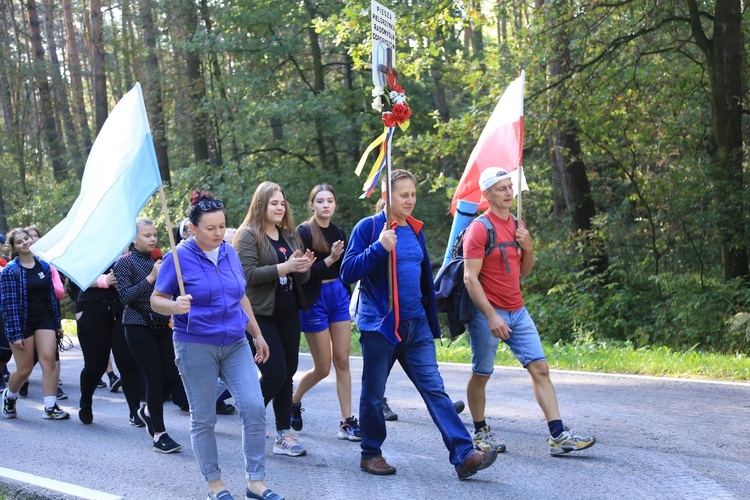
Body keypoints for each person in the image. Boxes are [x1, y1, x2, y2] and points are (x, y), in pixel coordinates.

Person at [340, 169, 497, 479]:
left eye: (413, 194)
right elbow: (348, 271)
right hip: (382, 327)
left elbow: (423, 278)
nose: (410, 200)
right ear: (387, 196)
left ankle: (464, 455)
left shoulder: (415, 230)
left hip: (416, 326)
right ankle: (370, 454)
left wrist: (431, 317)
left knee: (435, 390)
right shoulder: (369, 228)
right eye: (403, 195)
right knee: (373, 395)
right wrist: (378, 248)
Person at [152, 190, 283, 500]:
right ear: (193, 228)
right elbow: (157, 300)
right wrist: (175, 306)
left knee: (252, 406)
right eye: (210, 228)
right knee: (204, 418)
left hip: (235, 342)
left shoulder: (228, 252)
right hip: (195, 344)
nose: (218, 233)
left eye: (222, 226)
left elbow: (240, 296)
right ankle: (215, 485)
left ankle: (255, 481)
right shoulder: (178, 257)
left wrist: (257, 334)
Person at [463, 167, 596, 456]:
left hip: (518, 310)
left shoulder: (518, 225)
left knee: (540, 368)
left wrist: (529, 247)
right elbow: (469, 278)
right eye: (502, 188)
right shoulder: (479, 229)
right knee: (482, 374)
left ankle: (558, 436)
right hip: (489, 312)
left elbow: (524, 271)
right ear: (486, 194)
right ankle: (480, 430)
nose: (509, 193)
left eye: (510, 187)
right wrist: (491, 316)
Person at [233, 181, 314, 458]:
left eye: (282, 203)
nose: (280, 207)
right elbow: (246, 276)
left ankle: (283, 434)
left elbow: (299, 276)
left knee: (288, 372)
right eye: (273, 203)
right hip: (259, 314)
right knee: (275, 372)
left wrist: (303, 268)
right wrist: (285, 266)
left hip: (288, 311)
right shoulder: (247, 235)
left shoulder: (290, 235)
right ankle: (250, 416)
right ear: (261, 205)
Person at [289, 184, 360, 441]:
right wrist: (328, 260)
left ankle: (347, 422)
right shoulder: (304, 232)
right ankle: (294, 400)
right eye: (320, 201)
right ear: (312, 205)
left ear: (335, 205)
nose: (326, 205)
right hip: (314, 299)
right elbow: (302, 275)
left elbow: (347, 270)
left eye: (330, 200)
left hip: (338, 297)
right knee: (322, 368)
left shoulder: (339, 232)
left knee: (342, 360)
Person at [113, 218, 182, 453]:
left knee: (173, 375)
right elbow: (124, 298)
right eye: (147, 235)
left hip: (162, 322)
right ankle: (159, 434)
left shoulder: (161, 259)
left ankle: (148, 410)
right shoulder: (124, 263)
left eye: (154, 234)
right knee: (154, 378)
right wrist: (151, 278)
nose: (153, 239)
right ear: (134, 238)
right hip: (136, 324)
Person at [1, 228, 69, 420]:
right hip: (22, 323)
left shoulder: (44, 266)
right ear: (14, 248)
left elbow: (51, 298)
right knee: (25, 370)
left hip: (44, 319)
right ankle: (10, 396)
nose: (25, 243)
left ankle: (50, 407)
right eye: (19, 242)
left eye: (27, 238)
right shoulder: (10, 271)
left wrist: (56, 324)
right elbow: (9, 306)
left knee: (49, 360)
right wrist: (15, 335)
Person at [75, 267, 142, 426]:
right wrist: (105, 281)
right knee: (95, 365)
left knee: (128, 361)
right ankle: (86, 402)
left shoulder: (122, 248)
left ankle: (135, 410)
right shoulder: (83, 249)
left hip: (121, 308)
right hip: (91, 308)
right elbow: (77, 277)